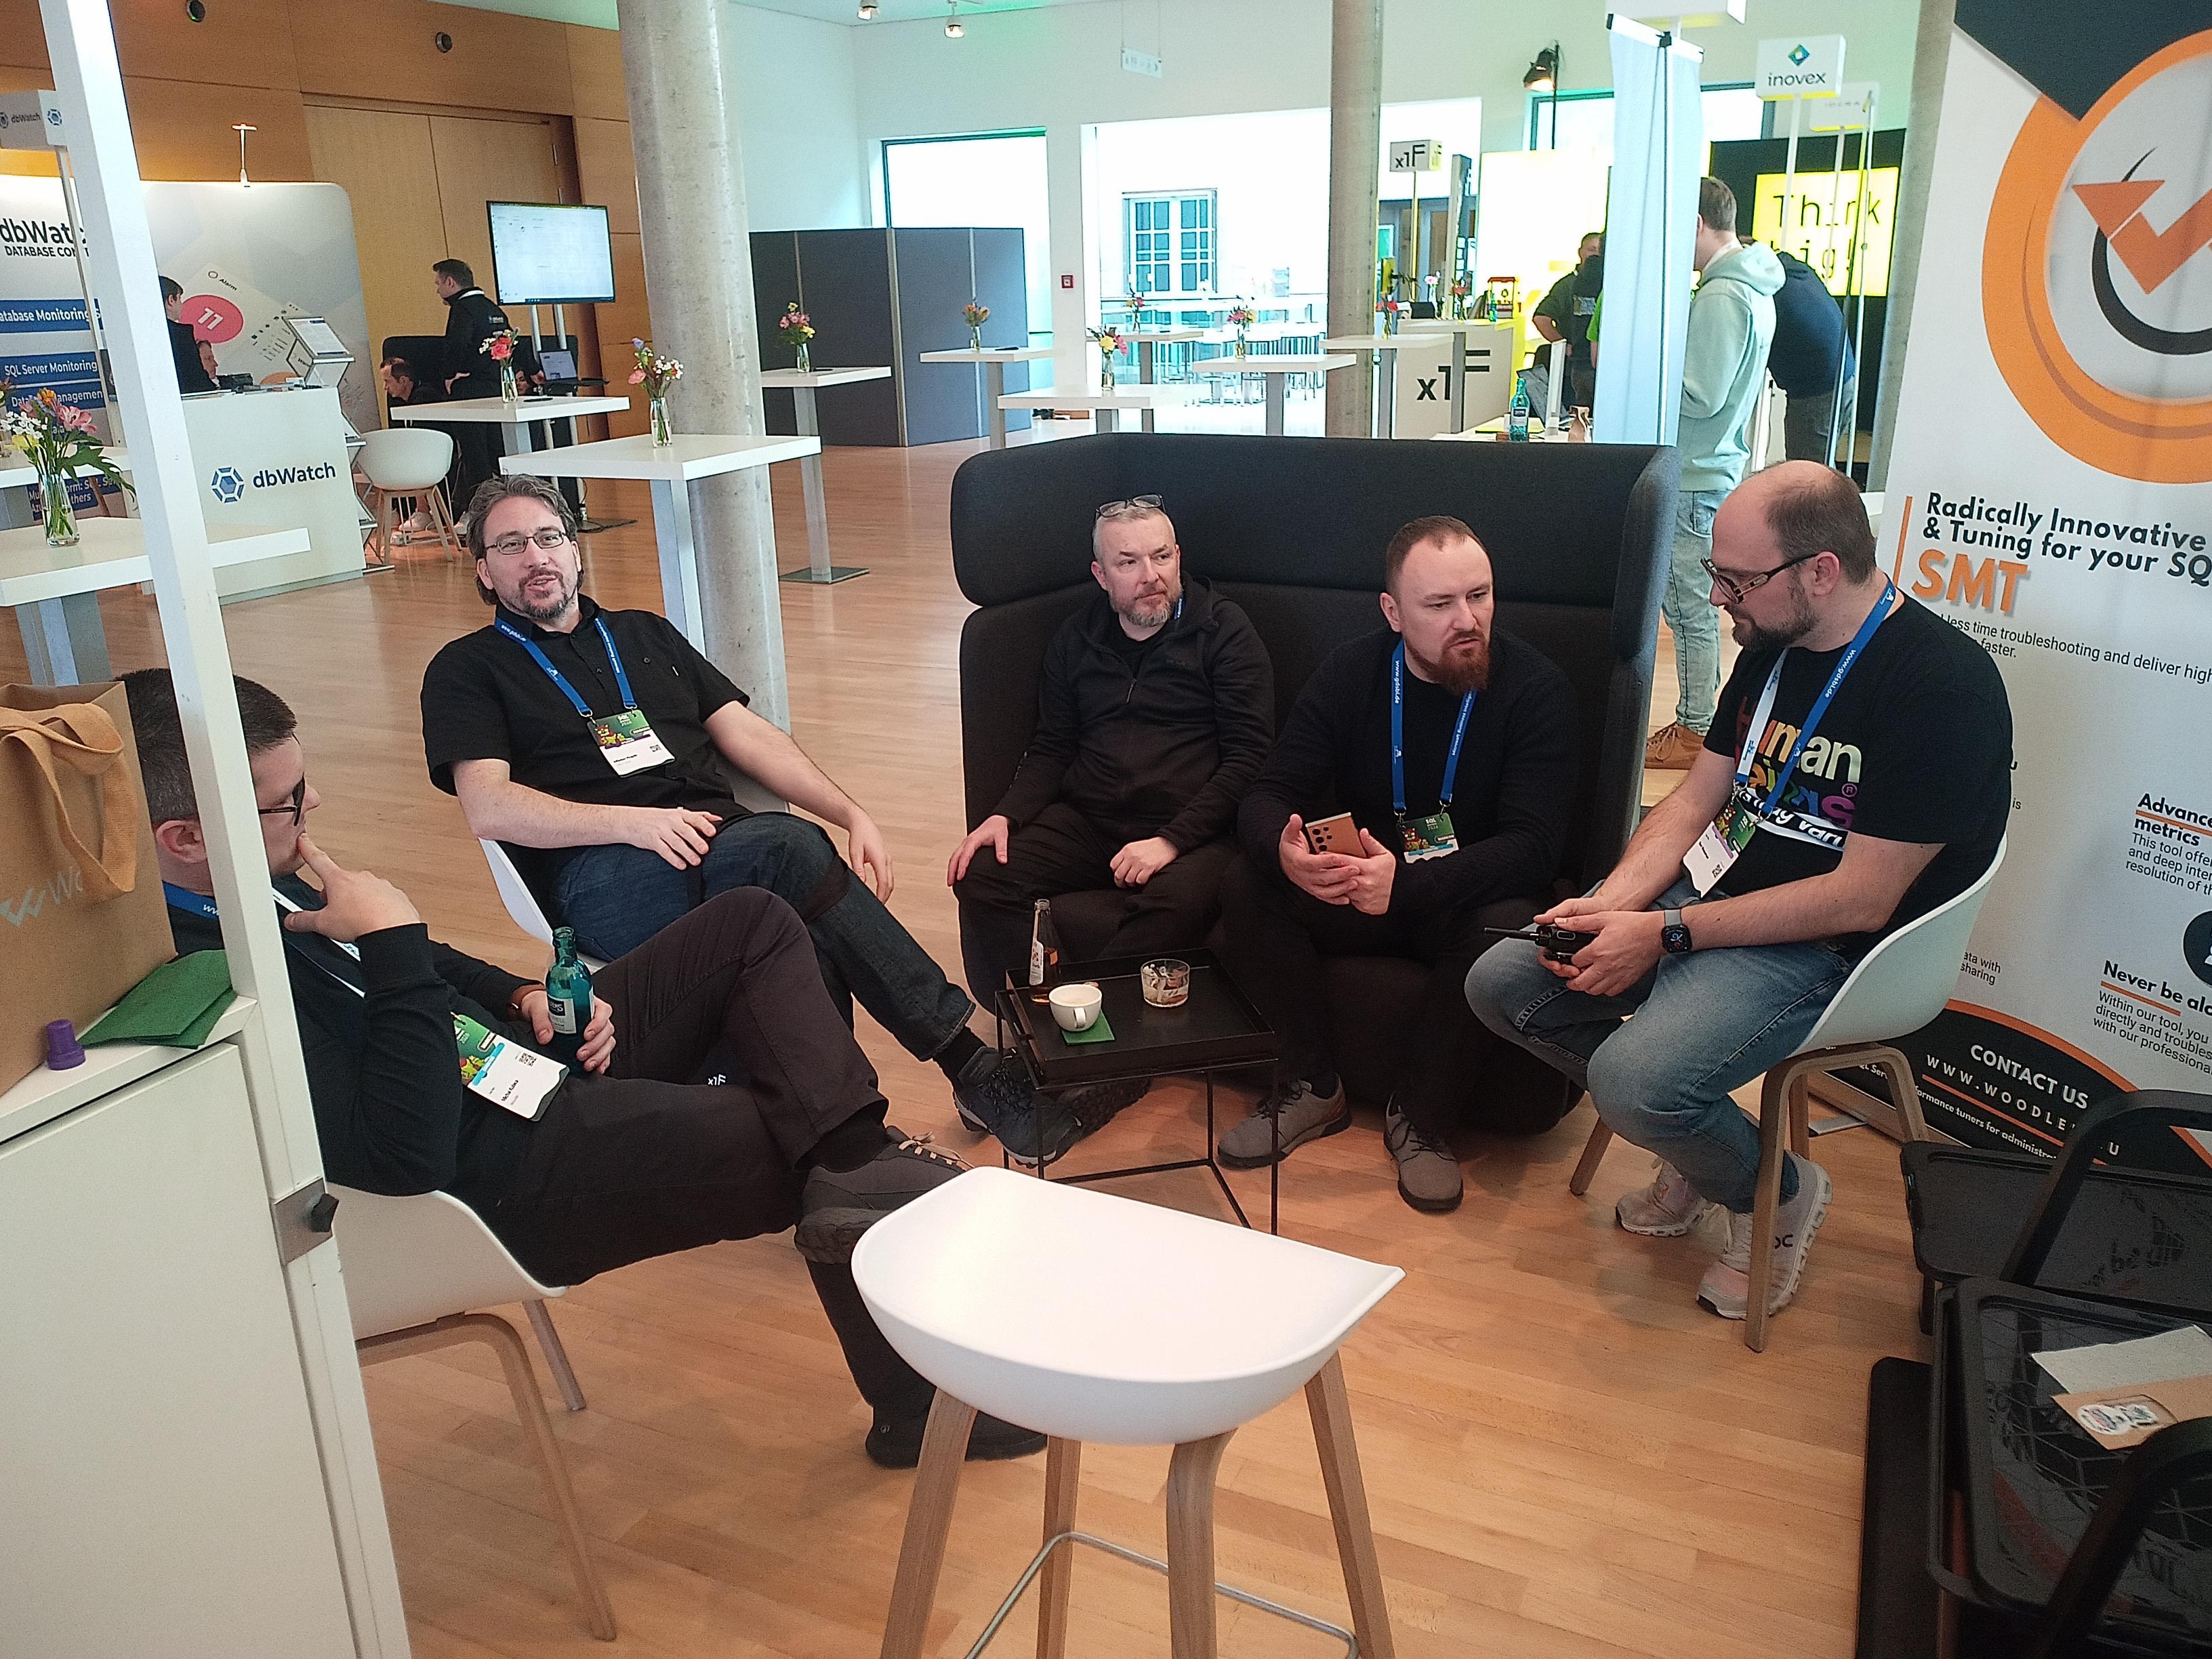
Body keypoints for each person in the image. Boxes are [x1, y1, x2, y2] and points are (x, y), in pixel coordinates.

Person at [123, 667, 1042, 1470]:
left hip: (513, 1066)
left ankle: (855, 1165)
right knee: (793, 1133)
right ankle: (909, 1383)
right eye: (286, 801)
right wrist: (395, 945)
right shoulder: (211, 989)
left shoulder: (248, 877)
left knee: (754, 923)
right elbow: (405, 1151)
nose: (313, 806)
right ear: (185, 838)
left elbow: (426, 963)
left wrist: (521, 991)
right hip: (493, 1170)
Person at [1466, 463, 2011, 1323]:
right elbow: (1695, 800)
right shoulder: (1771, 647)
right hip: (1710, 899)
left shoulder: (1942, 687)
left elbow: (1860, 899)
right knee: (1502, 985)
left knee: (1634, 1081)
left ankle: (1777, 1192)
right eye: (1717, 574)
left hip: (1827, 947)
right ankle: (1700, 1141)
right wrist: (1617, 904)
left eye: (1739, 580)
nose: (1719, 597)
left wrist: (1666, 935)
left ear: (1821, 571)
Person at [419, 472, 1076, 1164]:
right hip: (600, 874)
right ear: (484, 570)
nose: (536, 557)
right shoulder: (468, 669)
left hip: (720, 842)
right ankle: (971, 1066)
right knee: (787, 854)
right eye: (511, 545)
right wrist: (630, 823)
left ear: (575, 551)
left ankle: (850, 1147)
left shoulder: (642, 633)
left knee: (798, 919)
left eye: (549, 537)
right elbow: (488, 804)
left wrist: (850, 812)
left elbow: (748, 735)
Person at [1214, 516, 1577, 1214]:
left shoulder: (1536, 689)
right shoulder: (1352, 672)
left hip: (1462, 897)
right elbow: (1268, 792)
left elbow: (1534, 846)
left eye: (1480, 595)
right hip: (1365, 886)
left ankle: (1422, 1117)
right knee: (1246, 881)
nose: (1467, 620)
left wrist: (1407, 884)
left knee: (1511, 925)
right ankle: (1311, 1086)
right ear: (1393, 612)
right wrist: (1285, 855)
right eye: (1440, 605)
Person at [947, 495, 1274, 1005]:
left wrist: (1170, 841)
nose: (1151, 576)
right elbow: (1053, 746)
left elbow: (1249, 758)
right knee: (981, 875)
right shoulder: (1077, 638)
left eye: (1161, 557)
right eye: (1129, 563)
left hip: (1196, 831)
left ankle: (1092, 1019)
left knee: (1176, 902)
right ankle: (1040, 1016)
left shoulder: (1224, 631)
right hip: (1092, 821)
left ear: (1179, 557)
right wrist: (1006, 815)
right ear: (1101, 575)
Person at [1644, 179, 1782, 772]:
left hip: (1696, 474)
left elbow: (1701, 394)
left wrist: (1643, 371)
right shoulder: (1746, 287)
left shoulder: (1724, 296)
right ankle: (1700, 722)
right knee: (1693, 607)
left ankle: (1697, 726)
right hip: (1710, 468)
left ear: (1697, 223)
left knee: (1689, 609)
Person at [431, 258, 517, 518]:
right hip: (496, 388)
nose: (437, 290)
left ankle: (479, 514)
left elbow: (456, 346)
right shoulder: (493, 309)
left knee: (474, 454)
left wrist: (449, 375)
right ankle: (507, 508)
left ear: (450, 282)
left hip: (469, 392)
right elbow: (507, 345)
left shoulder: (462, 309)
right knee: (497, 451)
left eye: (438, 283)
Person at [1767, 246, 1858, 467]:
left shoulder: (1761, 287)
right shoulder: (1795, 272)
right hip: (1844, 378)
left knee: (1806, 476)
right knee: (1819, 470)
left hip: (1817, 393)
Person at [1528, 231, 1603, 416]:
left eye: (1599, 251)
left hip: (1599, 364)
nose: (1595, 255)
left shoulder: (1609, 284)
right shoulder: (1567, 285)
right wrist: (1563, 345)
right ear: (1580, 252)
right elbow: (1541, 318)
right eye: (1591, 250)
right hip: (1576, 367)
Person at [161, 276, 217, 395]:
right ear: (171, 300)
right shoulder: (180, 336)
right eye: (179, 299)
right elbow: (196, 381)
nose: (182, 305)